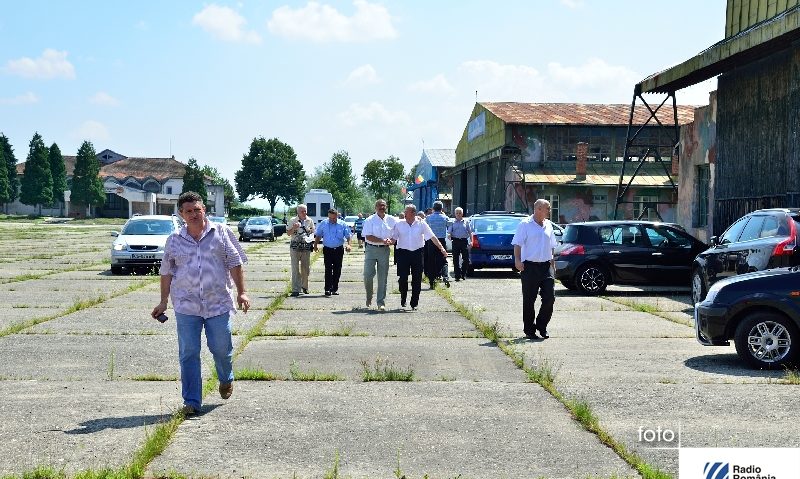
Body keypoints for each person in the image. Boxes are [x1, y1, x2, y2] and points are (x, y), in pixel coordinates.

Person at [151, 191, 250, 416]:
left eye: (198, 209)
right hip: (187, 306)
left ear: (204, 209)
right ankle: (192, 401)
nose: (194, 214)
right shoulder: (174, 240)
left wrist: (242, 292)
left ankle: (226, 378)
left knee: (221, 349)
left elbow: (235, 263)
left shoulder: (222, 233)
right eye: (189, 211)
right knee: (188, 353)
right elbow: (166, 272)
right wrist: (163, 301)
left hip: (218, 303)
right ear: (181, 215)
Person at [512, 199, 559, 340]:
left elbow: (551, 246)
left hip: (546, 267)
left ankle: (542, 325)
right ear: (538, 209)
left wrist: (553, 263)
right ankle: (529, 329)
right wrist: (517, 260)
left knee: (550, 298)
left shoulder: (548, 225)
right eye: (547, 208)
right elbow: (517, 244)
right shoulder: (525, 225)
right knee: (529, 300)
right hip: (529, 267)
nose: (549, 211)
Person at [391, 204, 447, 310]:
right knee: (403, 278)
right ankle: (403, 298)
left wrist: (442, 248)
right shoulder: (399, 224)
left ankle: (414, 302)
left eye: (406, 211)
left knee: (417, 279)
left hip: (417, 253)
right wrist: (388, 241)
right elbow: (394, 238)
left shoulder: (421, 223)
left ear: (413, 213)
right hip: (403, 253)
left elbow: (432, 236)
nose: (404, 213)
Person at [362, 199, 397, 311]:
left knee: (382, 278)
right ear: (375, 207)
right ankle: (369, 296)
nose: (382, 208)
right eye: (379, 206)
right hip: (371, 250)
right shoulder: (370, 220)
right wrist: (383, 240)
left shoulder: (392, 220)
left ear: (386, 207)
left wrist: (392, 240)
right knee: (368, 275)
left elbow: (398, 231)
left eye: (384, 206)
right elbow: (368, 237)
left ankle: (380, 302)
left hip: (384, 251)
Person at [314, 208, 352, 296]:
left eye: (334, 218)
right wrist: (315, 245)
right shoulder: (324, 223)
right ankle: (327, 289)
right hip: (327, 249)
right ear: (328, 216)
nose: (332, 220)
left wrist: (349, 245)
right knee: (328, 269)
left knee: (337, 269)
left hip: (338, 249)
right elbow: (318, 235)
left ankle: (334, 288)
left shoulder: (342, 224)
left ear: (337, 216)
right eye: (330, 218)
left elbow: (348, 236)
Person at [287, 204, 315, 297]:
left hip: (305, 247)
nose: (304, 213)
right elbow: (288, 233)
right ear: (298, 212)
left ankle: (305, 287)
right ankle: (295, 289)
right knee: (295, 268)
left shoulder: (309, 220)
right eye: (302, 211)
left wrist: (309, 231)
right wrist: (294, 228)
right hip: (295, 247)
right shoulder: (292, 220)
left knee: (305, 268)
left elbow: (312, 232)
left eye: (305, 211)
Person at [424, 201, 450, 288]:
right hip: (442, 240)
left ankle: (432, 281)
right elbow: (450, 228)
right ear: (441, 208)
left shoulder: (428, 218)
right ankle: (445, 276)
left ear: (433, 208)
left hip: (431, 241)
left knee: (431, 261)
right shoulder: (445, 218)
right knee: (443, 260)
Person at [448, 207, 472, 281]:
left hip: (464, 241)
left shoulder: (466, 222)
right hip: (455, 241)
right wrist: (449, 235)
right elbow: (449, 231)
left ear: (462, 214)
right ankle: (457, 275)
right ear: (455, 214)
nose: (458, 214)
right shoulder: (452, 222)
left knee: (466, 259)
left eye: (460, 213)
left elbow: (470, 232)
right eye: (457, 213)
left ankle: (463, 273)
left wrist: (471, 241)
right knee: (455, 259)